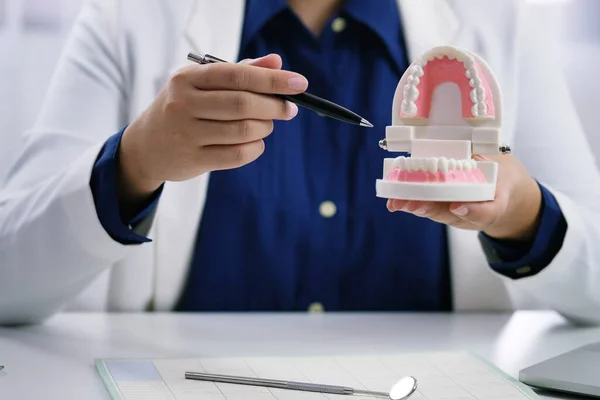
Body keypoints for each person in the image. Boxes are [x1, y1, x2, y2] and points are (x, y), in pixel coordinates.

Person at [1, 0, 600, 325]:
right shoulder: (125, 18)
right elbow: (9, 283)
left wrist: (523, 212)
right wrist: (134, 162)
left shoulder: (500, 20)